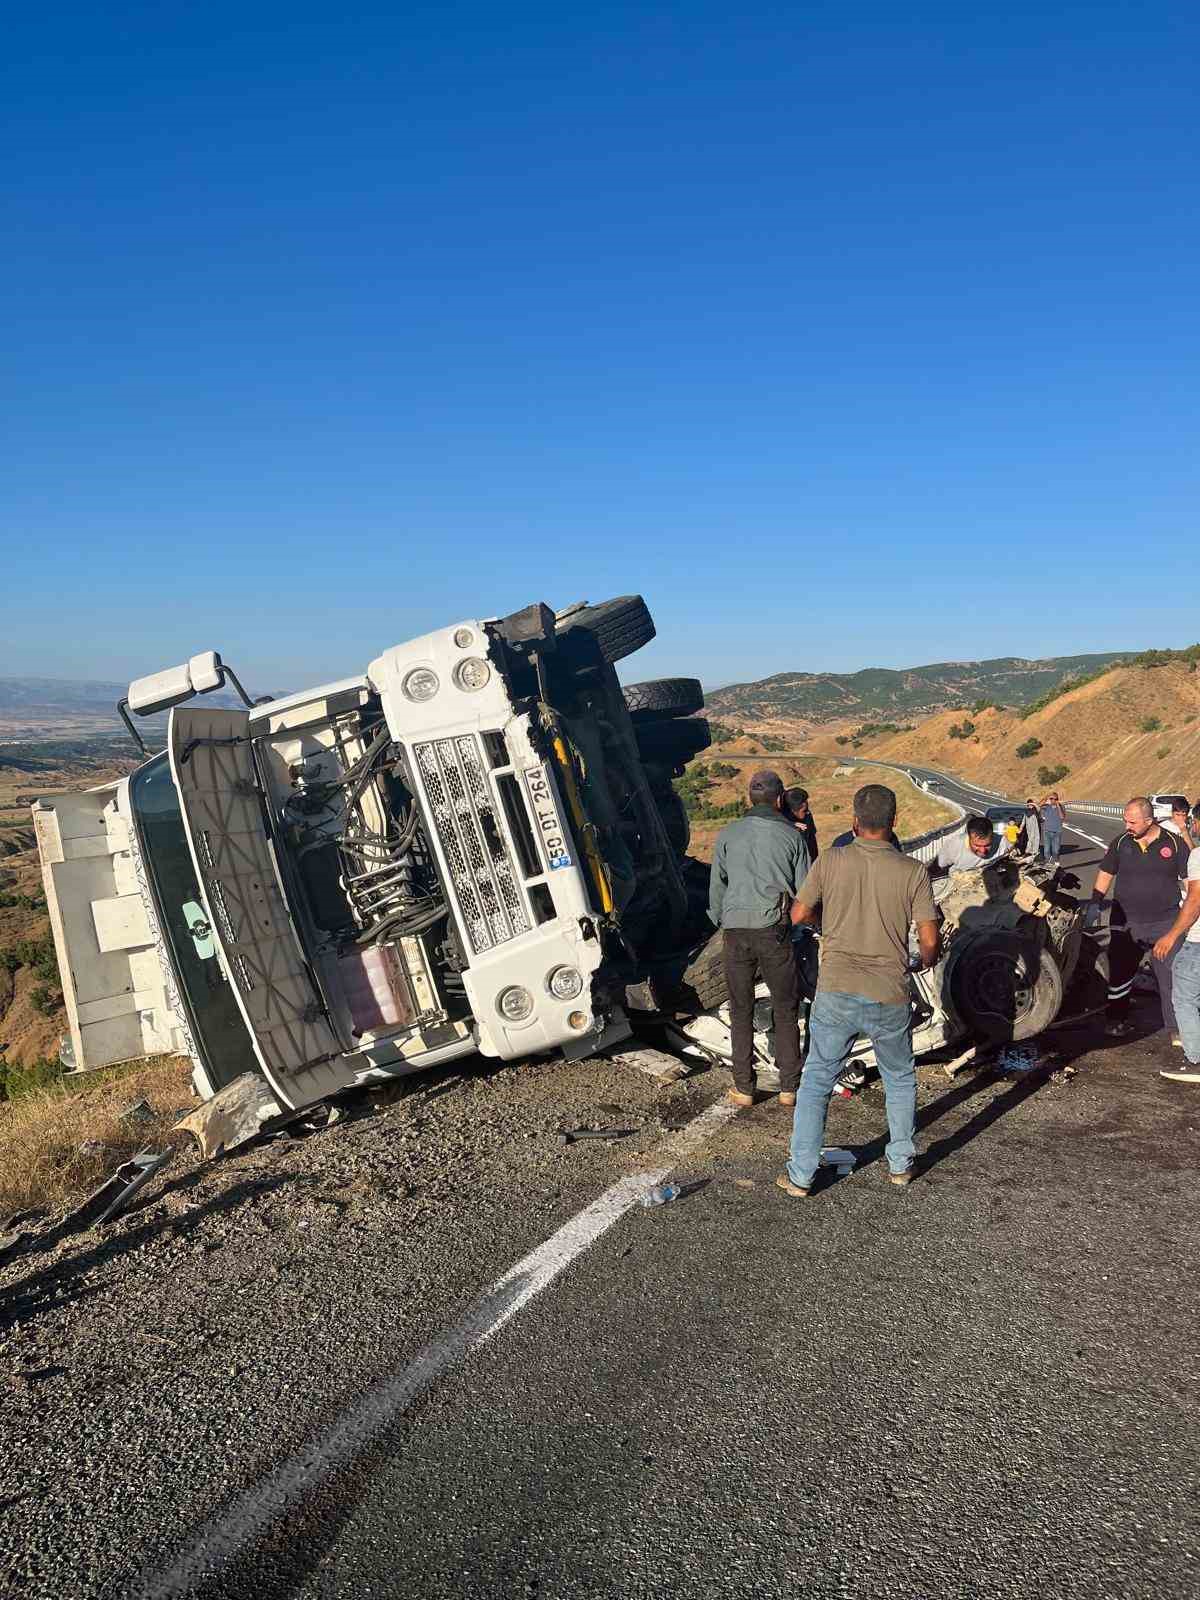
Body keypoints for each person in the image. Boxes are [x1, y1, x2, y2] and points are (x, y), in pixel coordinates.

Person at [778, 783, 940, 1197]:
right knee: (899, 1078)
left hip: (836, 989)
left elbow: (798, 913)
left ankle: (801, 1175)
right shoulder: (913, 872)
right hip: (889, 991)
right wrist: (925, 958)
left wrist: (824, 922)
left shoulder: (831, 860)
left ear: (854, 821)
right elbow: (929, 940)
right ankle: (900, 1163)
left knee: (816, 1081)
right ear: (894, 823)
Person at [709, 770, 811, 1108]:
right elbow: (806, 894)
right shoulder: (792, 837)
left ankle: (744, 1087)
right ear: (780, 800)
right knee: (785, 1007)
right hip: (773, 930)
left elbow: (717, 890)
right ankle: (789, 1087)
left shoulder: (727, 834)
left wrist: (723, 920)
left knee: (741, 1009)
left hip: (735, 931)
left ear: (749, 799)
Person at [1087, 795, 1190, 1042]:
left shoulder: (1175, 845)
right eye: (1125, 820)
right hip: (1126, 922)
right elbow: (1105, 873)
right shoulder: (1121, 842)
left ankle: (1175, 1029)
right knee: (1120, 974)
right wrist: (1095, 904)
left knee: (1170, 977)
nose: (1127, 826)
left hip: (1165, 924)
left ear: (1149, 820)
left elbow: (1190, 883)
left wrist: (1190, 915)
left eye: (1132, 822)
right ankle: (1115, 1020)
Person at [1152, 802, 1200, 1083]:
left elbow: (1194, 902)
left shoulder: (1198, 856)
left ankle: (1195, 1060)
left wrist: (1171, 935)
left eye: (1193, 820)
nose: (1192, 825)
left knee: (1184, 999)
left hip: (1197, 943)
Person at [928, 816, 1009, 898]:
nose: (983, 850)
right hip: (958, 890)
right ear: (969, 837)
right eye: (977, 845)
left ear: (993, 836)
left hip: (990, 891)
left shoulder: (1003, 843)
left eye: (987, 845)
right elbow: (934, 868)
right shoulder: (954, 845)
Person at [783, 786, 819, 859]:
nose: (808, 812)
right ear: (791, 811)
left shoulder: (807, 816)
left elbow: (812, 842)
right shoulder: (780, 826)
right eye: (804, 811)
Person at [1040, 793, 1067, 863]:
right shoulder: (1046, 807)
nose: (1053, 800)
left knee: (1056, 850)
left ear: (1057, 800)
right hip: (1047, 831)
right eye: (1051, 799)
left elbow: (1062, 817)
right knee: (1046, 850)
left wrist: (1058, 805)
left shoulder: (1061, 807)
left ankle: (1056, 860)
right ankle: (1047, 862)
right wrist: (1046, 797)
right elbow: (1039, 805)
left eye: (1055, 799)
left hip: (1057, 832)